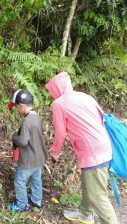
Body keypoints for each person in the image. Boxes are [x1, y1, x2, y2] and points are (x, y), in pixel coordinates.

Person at [45, 72, 118, 224]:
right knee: (88, 182)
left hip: (92, 151)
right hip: (104, 144)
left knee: (97, 196)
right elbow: (101, 118)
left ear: (56, 89)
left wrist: (54, 152)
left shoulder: (59, 104)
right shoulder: (85, 97)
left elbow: (60, 133)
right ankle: (85, 213)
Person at [8, 89, 47, 212]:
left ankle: (22, 205)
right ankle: (36, 201)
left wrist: (14, 138)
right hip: (39, 157)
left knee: (19, 181)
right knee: (36, 180)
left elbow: (23, 141)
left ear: (21, 106)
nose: (17, 110)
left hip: (28, 160)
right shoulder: (37, 117)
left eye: (16, 107)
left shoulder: (26, 121)